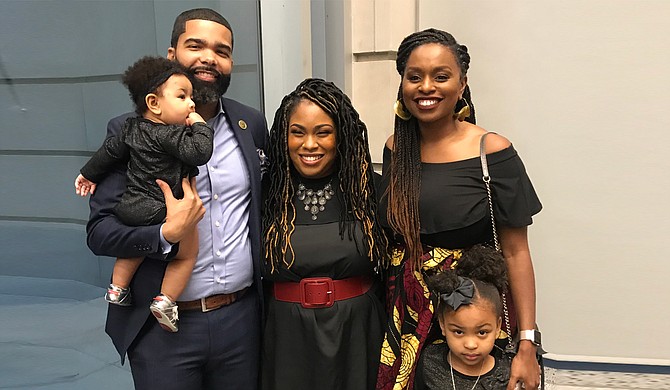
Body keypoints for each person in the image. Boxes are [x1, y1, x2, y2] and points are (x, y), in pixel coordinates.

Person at [85, 8, 268, 389]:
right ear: (172, 57)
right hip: (163, 330)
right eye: (195, 45)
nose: (209, 58)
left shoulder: (251, 124)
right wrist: (165, 235)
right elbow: (100, 232)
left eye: (222, 50)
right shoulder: (130, 131)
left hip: (242, 323)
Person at [376, 28, 543, 390]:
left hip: (473, 319)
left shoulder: (492, 150)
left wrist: (528, 342)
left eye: (441, 76)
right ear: (402, 84)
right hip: (406, 317)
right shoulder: (395, 149)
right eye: (414, 76)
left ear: (462, 83)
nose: (426, 87)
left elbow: (516, 252)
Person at [261, 78, 388, 390]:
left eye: (323, 132)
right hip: (286, 335)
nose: (309, 145)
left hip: (357, 333)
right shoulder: (265, 194)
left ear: (341, 136)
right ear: (283, 137)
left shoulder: (371, 189)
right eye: (298, 132)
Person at [75, 56, 212, 333]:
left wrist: (88, 173)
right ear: (154, 103)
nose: (191, 104)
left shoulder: (130, 129)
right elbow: (200, 152)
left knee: (133, 251)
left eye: (191, 98)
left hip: (132, 207)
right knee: (187, 255)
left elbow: (109, 153)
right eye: (182, 96)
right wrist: (199, 126)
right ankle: (165, 301)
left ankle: (117, 288)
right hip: (164, 208)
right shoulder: (171, 136)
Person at [414, 245, 512, 390]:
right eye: (459, 332)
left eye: (482, 333)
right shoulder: (429, 363)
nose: (471, 345)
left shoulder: (505, 376)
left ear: (498, 327)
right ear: (442, 324)